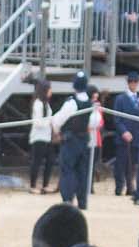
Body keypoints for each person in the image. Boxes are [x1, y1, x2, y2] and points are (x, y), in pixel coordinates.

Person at [52, 71, 92, 209]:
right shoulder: (90, 102)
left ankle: (68, 200)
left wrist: (56, 133)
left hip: (70, 140)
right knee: (82, 171)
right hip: (84, 139)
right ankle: (82, 202)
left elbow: (57, 120)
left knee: (68, 170)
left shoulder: (72, 103)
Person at [112, 71, 139, 198]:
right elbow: (117, 118)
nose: (134, 84)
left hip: (136, 136)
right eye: (131, 82)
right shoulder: (121, 99)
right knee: (120, 163)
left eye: (136, 82)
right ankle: (119, 187)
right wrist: (123, 131)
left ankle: (130, 186)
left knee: (132, 164)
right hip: (123, 136)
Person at [28, 82, 56, 196]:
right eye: (50, 89)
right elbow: (38, 122)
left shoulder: (46, 104)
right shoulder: (38, 104)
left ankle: (45, 184)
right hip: (38, 137)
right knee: (36, 162)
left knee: (50, 160)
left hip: (47, 137)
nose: (51, 92)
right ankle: (33, 186)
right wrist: (50, 120)